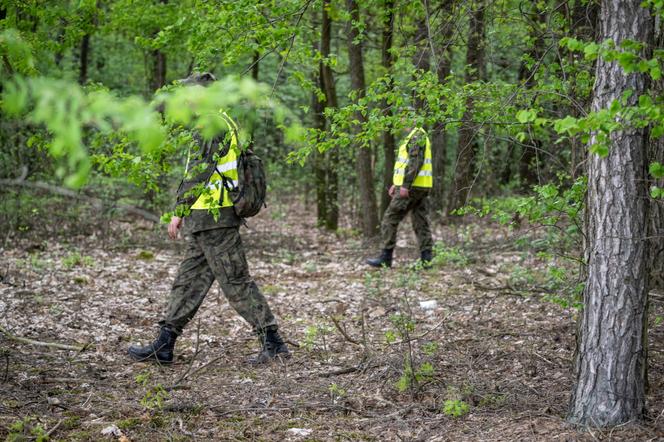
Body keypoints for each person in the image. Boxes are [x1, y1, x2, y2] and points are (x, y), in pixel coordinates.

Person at [128, 72, 289, 365]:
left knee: (235, 281)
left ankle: (273, 342)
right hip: (206, 218)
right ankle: (164, 344)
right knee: (188, 281)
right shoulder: (217, 121)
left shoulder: (212, 124)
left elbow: (201, 174)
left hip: (216, 217)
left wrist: (179, 210)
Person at [367, 122, 433, 268]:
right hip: (420, 186)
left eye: (404, 118)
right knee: (420, 221)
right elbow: (406, 164)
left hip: (412, 187)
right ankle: (427, 260)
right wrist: (397, 185)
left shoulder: (417, 135)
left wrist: (405, 186)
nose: (401, 121)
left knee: (390, 218)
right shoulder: (417, 135)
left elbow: (416, 163)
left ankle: (386, 257)